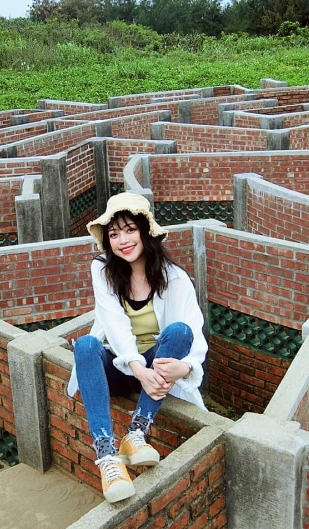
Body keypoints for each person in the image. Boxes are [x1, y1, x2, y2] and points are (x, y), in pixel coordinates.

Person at [67, 192, 208, 503]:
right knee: (86, 345)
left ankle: (137, 432)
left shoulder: (175, 278)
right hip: (119, 367)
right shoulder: (103, 269)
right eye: (114, 234)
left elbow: (194, 332)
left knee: (180, 331)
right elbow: (115, 325)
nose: (123, 240)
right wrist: (137, 368)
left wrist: (185, 367)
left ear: (145, 232)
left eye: (130, 230)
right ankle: (107, 455)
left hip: (156, 370)